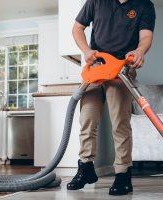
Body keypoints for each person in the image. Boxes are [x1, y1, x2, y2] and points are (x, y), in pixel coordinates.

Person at [67, 0, 156, 196]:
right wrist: (87, 51)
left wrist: (139, 52)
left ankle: (123, 174)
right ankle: (86, 168)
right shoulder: (96, 1)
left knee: (120, 124)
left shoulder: (144, 5)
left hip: (122, 69)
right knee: (87, 121)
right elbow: (77, 28)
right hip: (96, 69)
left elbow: (146, 36)